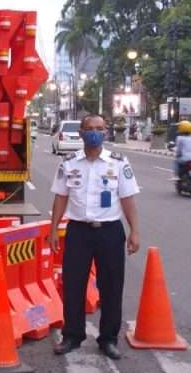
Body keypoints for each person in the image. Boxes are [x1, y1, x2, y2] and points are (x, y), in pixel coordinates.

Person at [49, 113, 141, 360]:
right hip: (78, 231)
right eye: (89, 128)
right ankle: (72, 335)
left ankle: (108, 339)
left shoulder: (119, 163)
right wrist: (53, 229)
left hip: (110, 232)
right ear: (80, 133)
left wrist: (135, 230)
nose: (94, 132)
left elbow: (127, 198)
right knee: (73, 285)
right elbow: (60, 197)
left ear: (106, 131)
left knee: (111, 287)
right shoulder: (68, 163)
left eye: (99, 128)